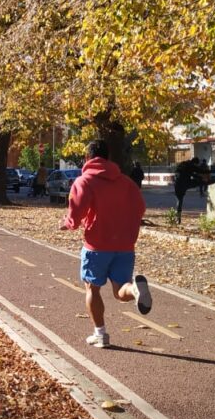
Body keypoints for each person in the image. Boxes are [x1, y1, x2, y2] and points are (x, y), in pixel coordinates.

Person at [59, 139, 152, 349]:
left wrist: (68, 224)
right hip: (126, 245)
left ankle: (100, 334)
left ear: (87, 158)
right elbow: (141, 208)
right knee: (121, 291)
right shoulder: (126, 182)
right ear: (108, 158)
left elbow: (76, 213)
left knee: (92, 288)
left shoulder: (84, 181)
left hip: (97, 245)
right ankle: (135, 290)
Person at [173, 158, 196, 223]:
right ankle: (178, 218)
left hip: (177, 185)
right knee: (180, 201)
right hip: (182, 185)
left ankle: (178, 218)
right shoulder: (189, 167)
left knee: (179, 201)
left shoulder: (181, 166)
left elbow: (176, 173)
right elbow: (191, 175)